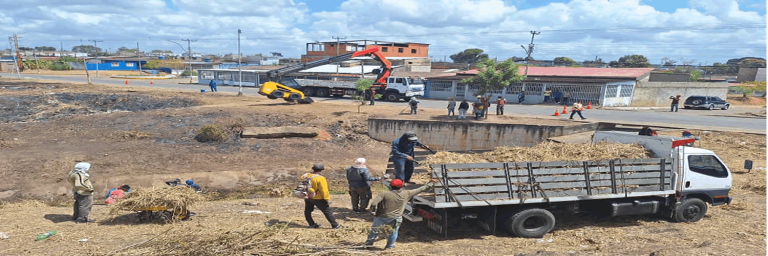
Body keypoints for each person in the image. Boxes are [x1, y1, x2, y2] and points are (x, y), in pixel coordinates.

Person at [364, 179, 437, 249]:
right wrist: (430, 184)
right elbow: (420, 189)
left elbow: (373, 204)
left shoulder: (384, 194)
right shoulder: (407, 193)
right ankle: (390, 246)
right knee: (393, 231)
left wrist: (373, 212)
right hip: (396, 217)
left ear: (390, 186)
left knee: (375, 230)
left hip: (382, 216)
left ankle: (368, 244)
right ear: (402, 186)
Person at [301, 163, 340, 229]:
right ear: (321, 170)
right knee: (327, 211)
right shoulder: (321, 178)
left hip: (308, 196)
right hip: (318, 198)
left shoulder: (305, 176)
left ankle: (311, 224)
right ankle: (335, 225)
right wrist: (327, 198)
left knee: (307, 211)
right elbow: (324, 190)